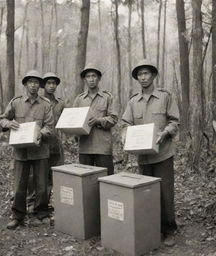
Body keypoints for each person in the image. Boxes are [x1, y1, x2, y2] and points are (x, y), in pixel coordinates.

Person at [121, 59, 179, 244]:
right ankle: (152, 228)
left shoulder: (165, 97)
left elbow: (175, 121)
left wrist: (165, 133)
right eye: (140, 74)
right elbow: (126, 124)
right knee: (146, 192)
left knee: (165, 192)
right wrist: (124, 135)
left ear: (153, 75)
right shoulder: (133, 102)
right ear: (137, 78)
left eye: (146, 73)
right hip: (143, 155)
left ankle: (169, 228)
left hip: (163, 153)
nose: (143, 77)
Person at [0, 70, 54, 229]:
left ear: (40, 85)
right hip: (21, 152)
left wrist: (40, 133)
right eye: (30, 82)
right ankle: (18, 216)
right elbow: (2, 119)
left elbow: (50, 126)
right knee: (19, 186)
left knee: (42, 185)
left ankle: (41, 213)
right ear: (25, 84)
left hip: (40, 150)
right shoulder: (15, 102)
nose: (33, 85)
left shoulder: (45, 104)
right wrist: (8, 124)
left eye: (36, 82)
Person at [73, 64, 118, 175]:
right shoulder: (79, 99)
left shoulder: (108, 97)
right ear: (84, 79)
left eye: (94, 76)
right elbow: (74, 120)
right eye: (88, 76)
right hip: (85, 147)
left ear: (99, 78)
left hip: (102, 147)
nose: (91, 79)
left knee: (106, 179)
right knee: (85, 181)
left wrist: (98, 121)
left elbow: (114, 119)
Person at [43, 72, 65, 202]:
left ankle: (58, 204)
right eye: (49, 83)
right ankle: (41, 204)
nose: (52, 86)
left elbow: (68, 120)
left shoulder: (60, 103)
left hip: (56, 144)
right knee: (41, 176)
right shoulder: (39, 102)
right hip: (42, 144)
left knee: (57, 175)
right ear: (43, 85)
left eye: (54, 83)